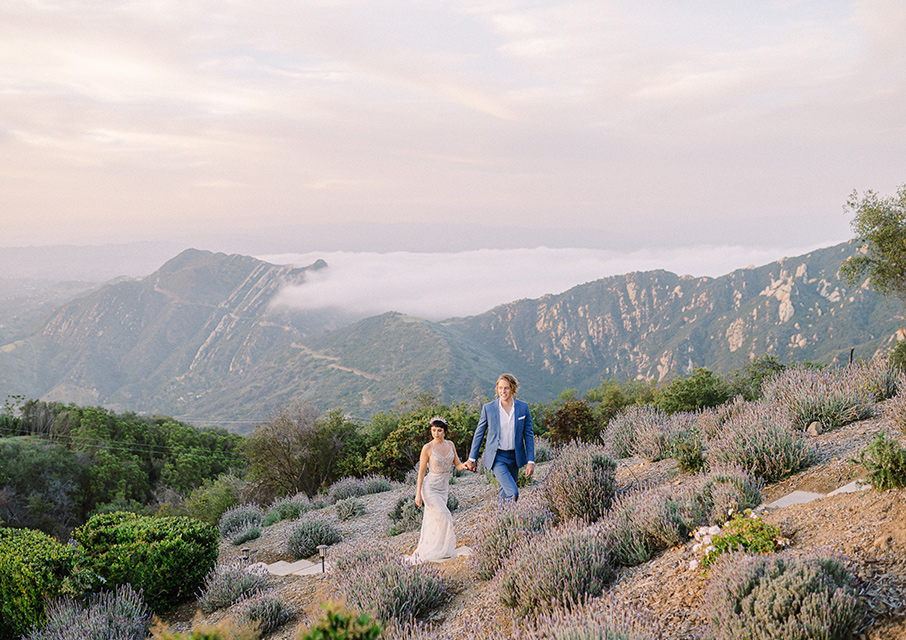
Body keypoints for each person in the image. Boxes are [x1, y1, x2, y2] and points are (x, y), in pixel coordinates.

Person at [465, 373, 535, 502]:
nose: (503, 391)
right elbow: (479, 433)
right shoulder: (488, 408)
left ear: (513, 389)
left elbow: (529, 435)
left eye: (506, 388)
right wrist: (472, 458)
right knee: (513, 492)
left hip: (515, 457)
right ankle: (507, 520)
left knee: (505, 492)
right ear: (497, 389)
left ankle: (500, 518)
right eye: (500, 388)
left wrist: (531, 461)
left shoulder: (523, 407)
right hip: (497, 457)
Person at [411, 416, 468, 563]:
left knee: (437, 519)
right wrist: (418, 494)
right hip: (430, 488)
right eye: (434, 430)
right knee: (445, 515)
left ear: (444, 431)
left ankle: (439, 548)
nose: (436, 433)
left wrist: (467, 464)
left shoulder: (450, 444)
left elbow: (458, 465)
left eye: (439, 430)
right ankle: (441, 551)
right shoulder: (427, 448)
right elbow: (421, 472)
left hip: (443, 489)